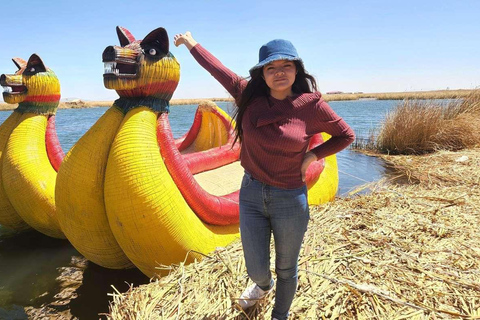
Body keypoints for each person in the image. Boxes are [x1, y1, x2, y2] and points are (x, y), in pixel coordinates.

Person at [174, 32, 355, 320]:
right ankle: (262, 285)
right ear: (262, 74)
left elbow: (346, 135)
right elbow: (217, 69)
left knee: (287, 267)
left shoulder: (311, 106)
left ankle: (279, 315)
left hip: (290, 198)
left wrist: (313, 155)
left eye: (286, 66)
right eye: (271, 68)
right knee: (256, 267)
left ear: (297, 69)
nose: (279, 73)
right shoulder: (249, 96)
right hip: (252, 193)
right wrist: (191, 43)